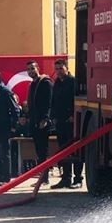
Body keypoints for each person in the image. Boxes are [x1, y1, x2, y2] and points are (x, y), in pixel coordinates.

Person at [49, 58, 81, 189]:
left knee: (76, 150)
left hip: (72, 122)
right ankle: (65, 178)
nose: (58, 72)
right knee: (63, 151)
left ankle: (78, 179)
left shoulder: (73, 82)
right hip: (61, 122)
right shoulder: (56, 83)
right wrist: (54, 117)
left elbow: (78, 100)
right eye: (56, 69)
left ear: (67, 68)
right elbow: (54, 101)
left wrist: (73, 116)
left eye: (61, 68)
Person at [24, 60, 53, 182]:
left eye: (32, 68)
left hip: (43, 122)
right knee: (38, 151)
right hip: (34, 122)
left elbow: (49, 102)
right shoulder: (32, 84)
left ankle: (44, 177)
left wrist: (45, 118)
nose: (31, 71)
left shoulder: (45, 82)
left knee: (43, 151)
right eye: (29, 69)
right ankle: (42, 176)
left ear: (38, 68)